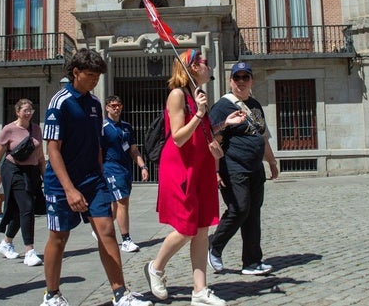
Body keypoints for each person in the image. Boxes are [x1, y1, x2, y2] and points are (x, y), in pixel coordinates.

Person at [41, 48, 152, 306]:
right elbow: (52, 150)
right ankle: (52, 294)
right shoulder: (59, 103)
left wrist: (101, 176)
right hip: (61, 184)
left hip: (93, 180)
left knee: (107, 231)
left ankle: (120, 293)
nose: (94, 80)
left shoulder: (94, 104)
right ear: (75, 72)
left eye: (97, 76)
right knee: (59, 237)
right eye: (90, 75)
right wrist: (69, 189)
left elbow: (96, 145)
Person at [144, 49, 245, 306]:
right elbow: (178, 137)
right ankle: (155, 267)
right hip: (181, 167)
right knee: (187, 228)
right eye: (204, 63)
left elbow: (200, 132)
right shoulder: (177, 95)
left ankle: (199, 291)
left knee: (201, 229)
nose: (209, 66)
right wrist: (200, 113)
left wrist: (223, 125)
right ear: (190, 67)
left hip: (200, 166)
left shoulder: (195, 95)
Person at [207, 62, 279, 276]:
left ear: (251, 81)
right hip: (233, 167)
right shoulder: (222, 106)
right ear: (230, 81)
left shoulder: (255, 105)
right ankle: (215, 245)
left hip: (255, 169)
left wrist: (272, 163)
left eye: (244, 77)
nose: (240, 81)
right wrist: (215, 171)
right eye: (236, 78)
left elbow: (263, 137)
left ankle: (252, 261)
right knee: (239, 209)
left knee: (253, 213)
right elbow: (213, 140)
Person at [0, 98, 46, 266]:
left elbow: (40, 156)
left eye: (31, 110)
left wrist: (45, 176)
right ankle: (30, 251)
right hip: (14, 171)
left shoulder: (36, 129)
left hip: (31, 171)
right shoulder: (9, 130)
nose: (28, 113)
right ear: (17, 112)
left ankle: (6, 242)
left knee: (21, 210)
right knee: (27, 207)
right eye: (25, 110)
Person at [100, 95, 149, 253]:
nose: (116, 108)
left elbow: (133, 150)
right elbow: (98, 151)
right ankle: (126, 239)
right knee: (122, 201)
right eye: (113, 105)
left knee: (117, 204)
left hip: (125, 168)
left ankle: (101, 227)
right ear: (107, 107)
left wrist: (143, 166)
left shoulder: (127, 127)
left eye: (118, 105)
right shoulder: (102, 127)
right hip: (110, 168)